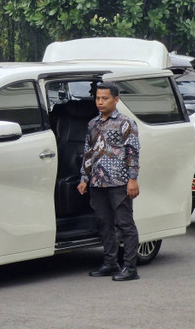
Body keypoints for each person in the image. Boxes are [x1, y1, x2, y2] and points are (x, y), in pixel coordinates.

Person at [77, 81, 141, 282]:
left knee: (125, 224)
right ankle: (110, 263)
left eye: (105, 98)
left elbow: (132, 152)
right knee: (104, 224)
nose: (100, 102)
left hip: (119, 182)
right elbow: (88, 152)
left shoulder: (126, 123)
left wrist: (133, 179)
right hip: (98, 182)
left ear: (116, 100)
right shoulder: (92, 124)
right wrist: (84, 178)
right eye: (98, 98)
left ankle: (130, 268)